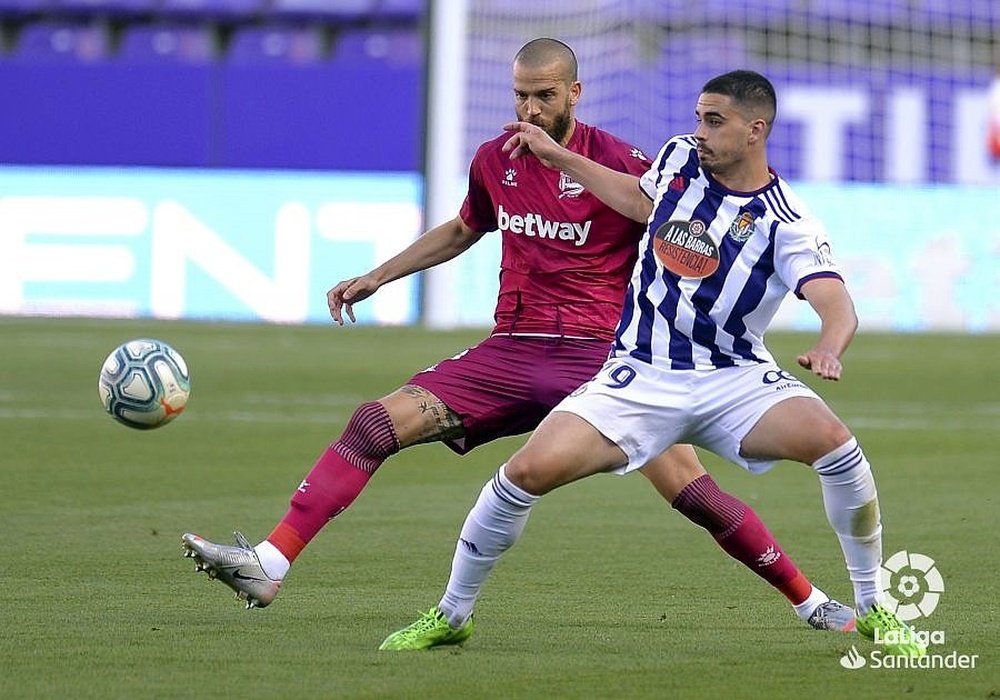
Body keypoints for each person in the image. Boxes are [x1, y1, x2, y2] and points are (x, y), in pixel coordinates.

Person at [181, 42, 851, 637]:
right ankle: (268, 564)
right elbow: (464, 228)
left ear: (574, 94)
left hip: (603, 360)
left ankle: (810, 599)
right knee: (373, 423)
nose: (529, 110)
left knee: (692, 493)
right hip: (510, 349)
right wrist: (379, 275)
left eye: (544, 97)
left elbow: (672, 227)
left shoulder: (625, 164)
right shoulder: (495, 160)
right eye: (520, 96)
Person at [379, 69, 927, 658]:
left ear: (755, 131)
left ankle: (875, 609)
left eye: (714, 121)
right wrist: (560, 157)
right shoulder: (678, 160)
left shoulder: (787, 222)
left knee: (837, 446)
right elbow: (637, 199)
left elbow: (836, 303)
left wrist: (829, 346)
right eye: (697, 117)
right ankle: (451, 614)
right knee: (521, 476)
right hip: (637, 375)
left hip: (733, 380)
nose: (699, 132)